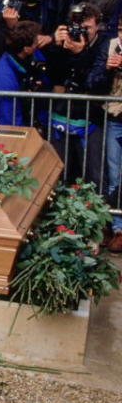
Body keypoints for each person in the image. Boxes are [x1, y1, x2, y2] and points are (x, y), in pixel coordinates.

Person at [42, 2, 106, 184]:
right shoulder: (66, 41)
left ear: (98, 26)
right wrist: (56, 45)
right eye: (79, 27)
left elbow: (94, 82)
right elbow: (53, 75)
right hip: (63, 113)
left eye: (88, 28)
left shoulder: (104, 43)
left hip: (92, 117)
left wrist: (80, 53)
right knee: (60, 168)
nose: (83, 32)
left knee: (93, 171)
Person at [87, 15, 122, 251]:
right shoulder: (108, 46)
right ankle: (117, 227)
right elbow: (93, 82)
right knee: (113, 174)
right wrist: (109, 70)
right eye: (120, 29)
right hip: (115, 117)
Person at [0, 21, 44, 125]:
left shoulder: (22, 58)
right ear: (26, 49)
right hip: (6, 128)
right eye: (35, 42)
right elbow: (7, 116)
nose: (38, 43)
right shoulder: (5, 78)